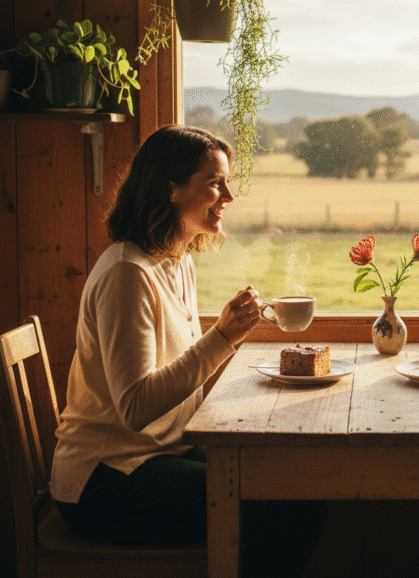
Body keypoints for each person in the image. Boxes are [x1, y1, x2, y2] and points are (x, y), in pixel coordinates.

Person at [51, 124, 327, 576]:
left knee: (290, 481)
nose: (229, 197)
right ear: (171, 188)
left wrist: (226, 338)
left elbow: (179, 379)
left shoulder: (177, 263)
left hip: (162, 453)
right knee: (290, 506)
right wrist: (220, 339)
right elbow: (136, 407)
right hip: (105, 477)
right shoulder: (128, 274)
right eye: (215, 183)